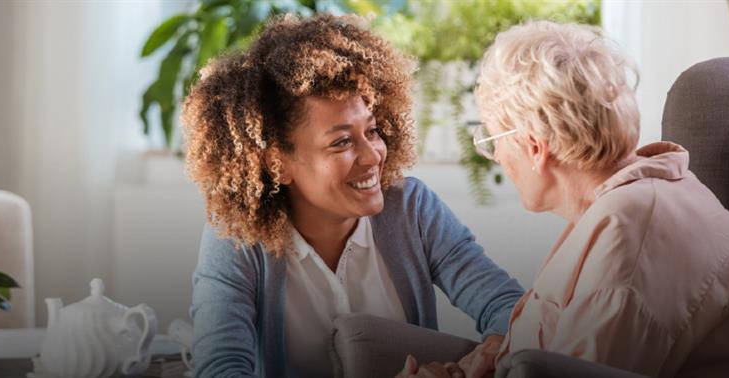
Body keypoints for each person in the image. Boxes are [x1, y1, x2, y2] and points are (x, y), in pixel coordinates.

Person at [400, 21, 729, 378]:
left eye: (493, 139)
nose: (495, 155)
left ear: (534, 147)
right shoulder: (627, 203)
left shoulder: (628, 234)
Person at [181, 14, 524, 378]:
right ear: (277, 163)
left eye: (372, 131)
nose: (373, 154)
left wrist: (488, 354)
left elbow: (508, 307)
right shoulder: (237, 239)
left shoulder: (413, 209)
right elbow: (220, 370)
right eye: (341, 142)